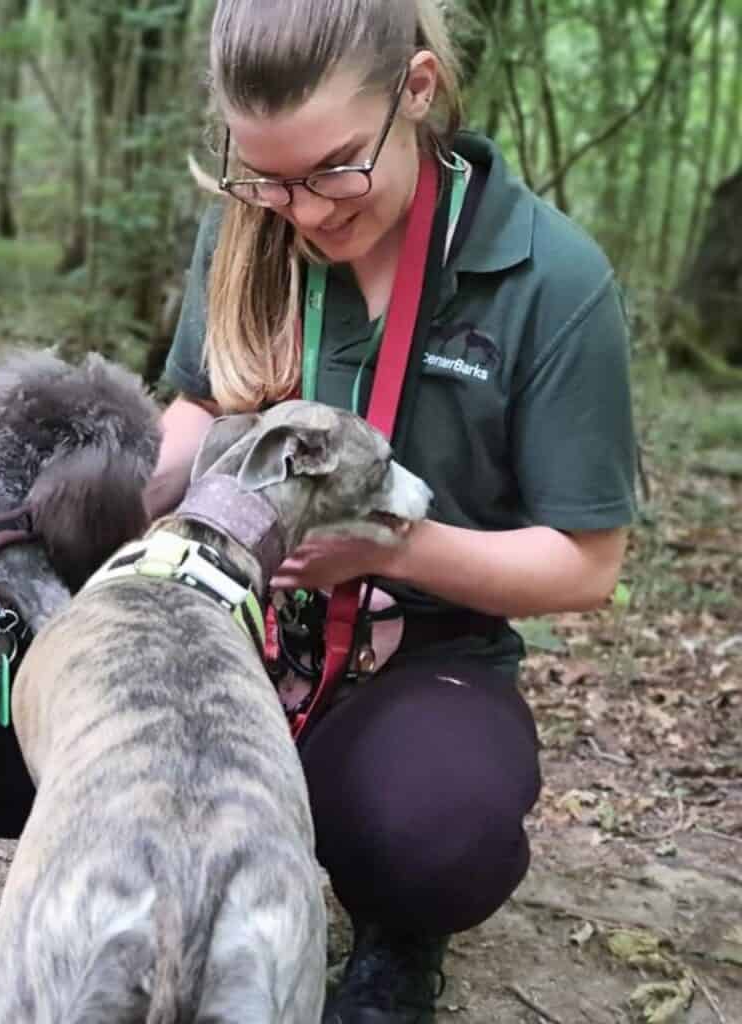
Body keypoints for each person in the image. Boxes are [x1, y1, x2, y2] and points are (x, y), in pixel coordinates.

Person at [147, 1, 636, 1021]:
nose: (307, 213)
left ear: (416, 91)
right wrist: (116, 507)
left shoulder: (551, 278)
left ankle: (394, 930)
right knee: (1, 728)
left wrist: (385, 546)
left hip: (418, 660)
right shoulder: (250, 234)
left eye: (333, 169)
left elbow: (584, 565)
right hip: (231, 630)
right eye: (270, 178)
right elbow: (196, 407)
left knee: (434, 831)